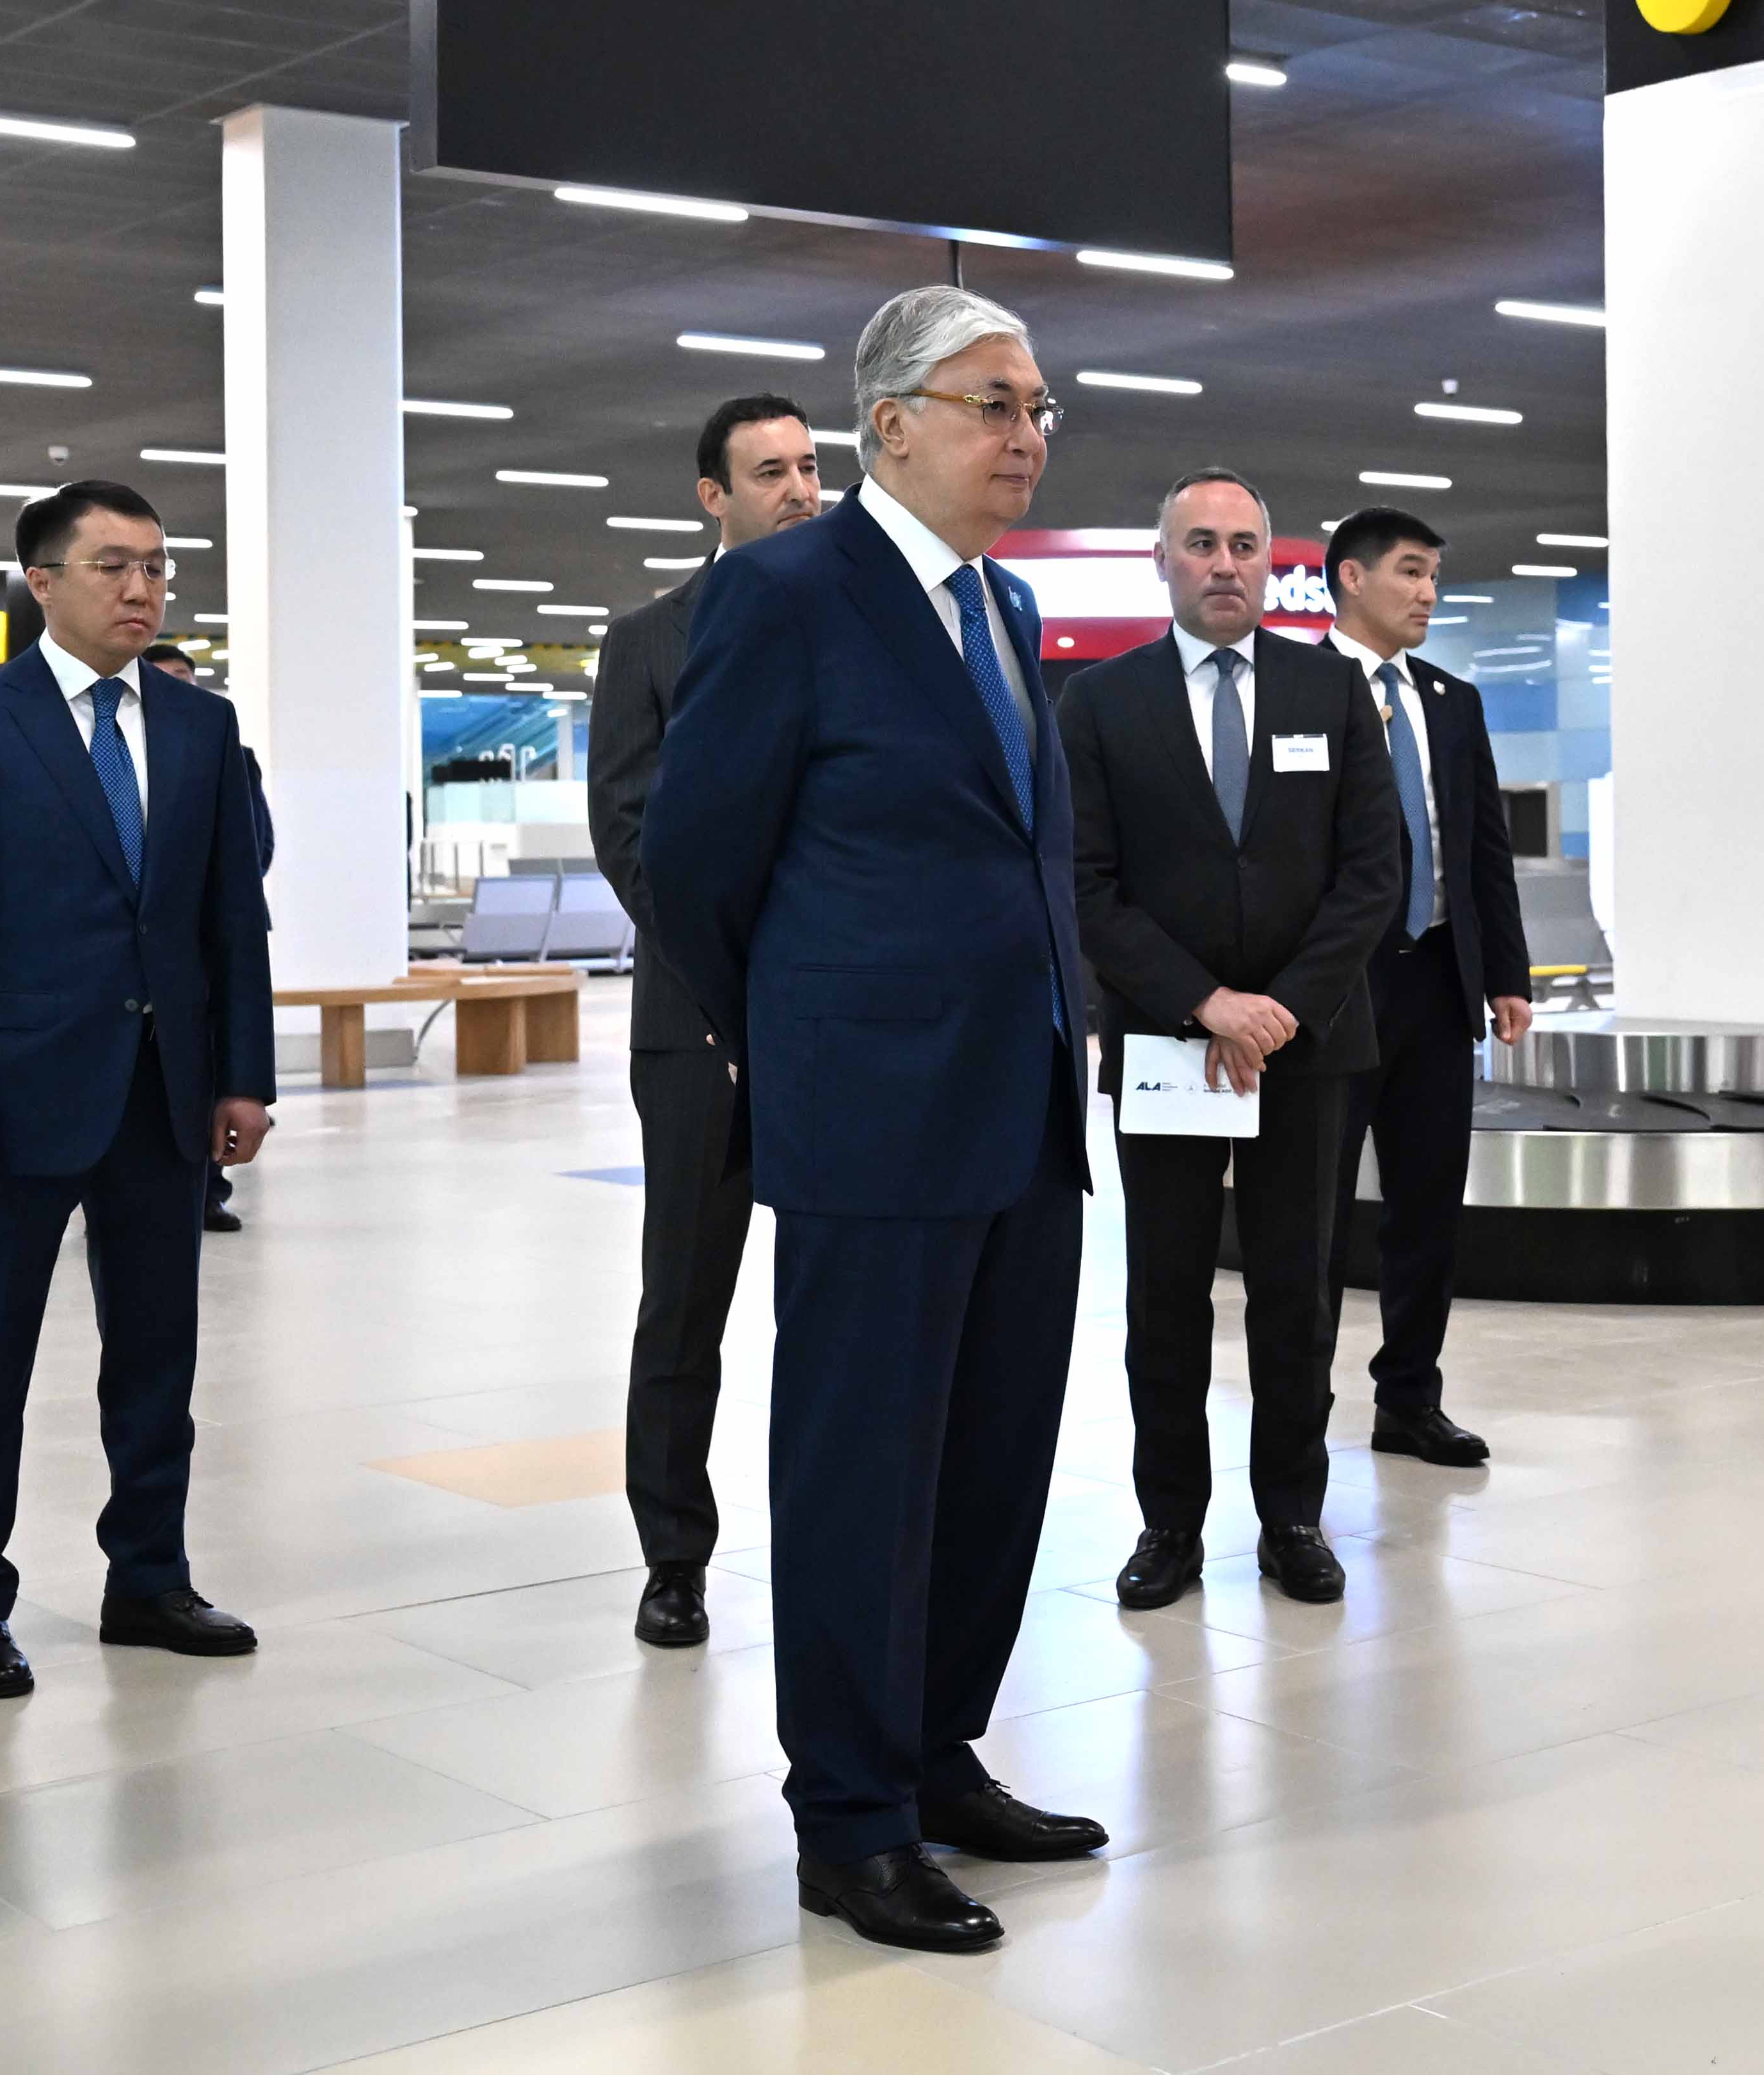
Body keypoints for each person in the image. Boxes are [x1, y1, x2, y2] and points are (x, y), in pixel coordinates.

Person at [645, 286, 1102, 1955]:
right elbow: (694, 865)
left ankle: (934, 1755)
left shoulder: (1003, 605)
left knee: (993, 1458)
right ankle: (848, 1817)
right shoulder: (788, 593)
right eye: (994, 403)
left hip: (1021, 1101)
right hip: (872, 1114)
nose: (1026, 434)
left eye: (1038, 406)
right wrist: (810, 1033)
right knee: (861, 1470)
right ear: (891, 423)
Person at [0, 480, 277, 1700]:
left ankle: (148, 1578)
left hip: (164, 1097)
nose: (142, 588)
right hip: (12, 1104)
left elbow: (231, 917)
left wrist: (244, 1076)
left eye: (156, 567)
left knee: (157, 1354)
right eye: (114, 566)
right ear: (43, 582)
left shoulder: (202, 726)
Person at [1059, 470, 1400, 1612]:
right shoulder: (1101, 703)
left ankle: (1292, 1517)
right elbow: (1085, 884)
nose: (1223, 564)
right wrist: (1205, 1001)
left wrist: (1280, 1007)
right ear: (1162, 561)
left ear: (1271, 563)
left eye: (1244, 545)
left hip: (1308, 1046)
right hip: (1168, 1047)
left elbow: (1372, 873)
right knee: (1164, 1292)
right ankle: (1169, 1523)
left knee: (1296, 1293)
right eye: (1200, 544)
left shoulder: (1330, 688)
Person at [589, 392, 822, 1649]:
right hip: (698, 1028)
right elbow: (629, 836)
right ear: (712, 495)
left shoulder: (863, 625)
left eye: (809, 466)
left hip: (840, 1024)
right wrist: (740, 976)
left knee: (840, 1300)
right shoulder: (649, 641)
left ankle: (837, 1536)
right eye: (769, 471)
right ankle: (673, 1555)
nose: (799, 489)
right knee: (683, 1301)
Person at [1319, 507, 1532, 1468]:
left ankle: (1409, 1399)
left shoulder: (1451, 699)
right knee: (1318, 1215)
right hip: (1335, 993)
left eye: (1435, 576)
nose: (1428, 593)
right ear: (1352, 577)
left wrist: (1506, 975)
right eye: (1410, 572)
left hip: (1440, 984)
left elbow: (1485, 847)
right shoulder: (1299, 691)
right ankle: (1299, 1409)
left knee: (1427, 1210)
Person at [139, 641, 271, 1234]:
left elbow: (252, 846)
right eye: (164, 675)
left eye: (184, 676)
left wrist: (249, 1083)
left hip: (194, 963)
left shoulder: (219, 739)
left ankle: (211, 1191)